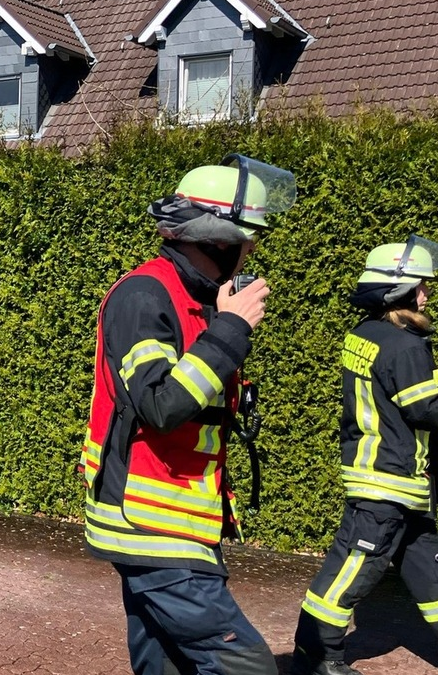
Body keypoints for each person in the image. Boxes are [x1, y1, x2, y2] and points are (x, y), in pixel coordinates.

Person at [78, 154, 296, 674]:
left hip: (171, 526)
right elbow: (161, 405)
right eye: (246, 241)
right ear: (216, 241)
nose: (251, 253)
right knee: (246, 666)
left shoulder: (200, 301)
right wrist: (232, 331)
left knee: (163, 664)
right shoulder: (144, 294)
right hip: (151, 528)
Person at [290, 236, 438, 675]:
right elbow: (429, 410)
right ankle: (316, 656)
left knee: (433, 574)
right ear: (398, 291)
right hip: (387, 484)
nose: (426, 293)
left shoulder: (365, 335)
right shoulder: (406, 347)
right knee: (352, 572)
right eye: (420, 286)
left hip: (400, 484)